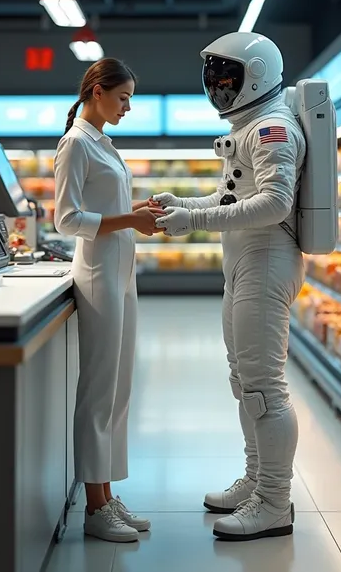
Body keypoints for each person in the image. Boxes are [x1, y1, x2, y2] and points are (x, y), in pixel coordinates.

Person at [154, 32, 306, 542]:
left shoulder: (272, 129)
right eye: (214, 78)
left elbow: (275, 204)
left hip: (265, 257)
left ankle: (274, 501)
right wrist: (187, 205)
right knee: (245, 381)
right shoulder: (252, 126)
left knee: (264, 388)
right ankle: (257, 479)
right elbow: (230, 195)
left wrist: (192, 222)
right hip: (245, 257)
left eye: (227, 78)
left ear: (255, 77)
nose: (217, 87)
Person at [54, 58, 164, 543]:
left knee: (119, 390)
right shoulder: (75, 143)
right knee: (99, 392)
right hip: (98, 274)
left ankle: (107, 494)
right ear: (97, 91)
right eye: (123, 98)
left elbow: (104, 209)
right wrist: (127, 221)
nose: (128, 107)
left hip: (121, 273)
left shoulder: (103, 142)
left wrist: (133, 211)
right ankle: (94, 509)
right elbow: (67, 219)